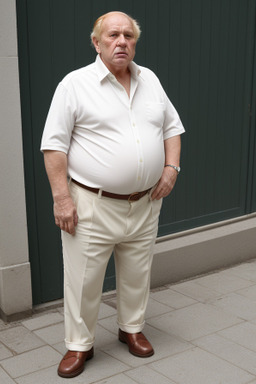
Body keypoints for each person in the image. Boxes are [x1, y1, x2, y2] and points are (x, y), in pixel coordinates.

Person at [41, 11, 185, 378]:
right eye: (113, 36)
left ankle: (130, 328)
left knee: (138, 271)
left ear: (135, 41)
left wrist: (171, 168)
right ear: (97, 42)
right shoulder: (74, 85)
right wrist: (62, 198)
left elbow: (172, 127)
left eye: (128, 35)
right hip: (91, 203)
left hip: (144, 203)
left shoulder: (149, 80)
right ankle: (79, 346)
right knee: (83, 278)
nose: (121, 42)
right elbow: (54, 146)